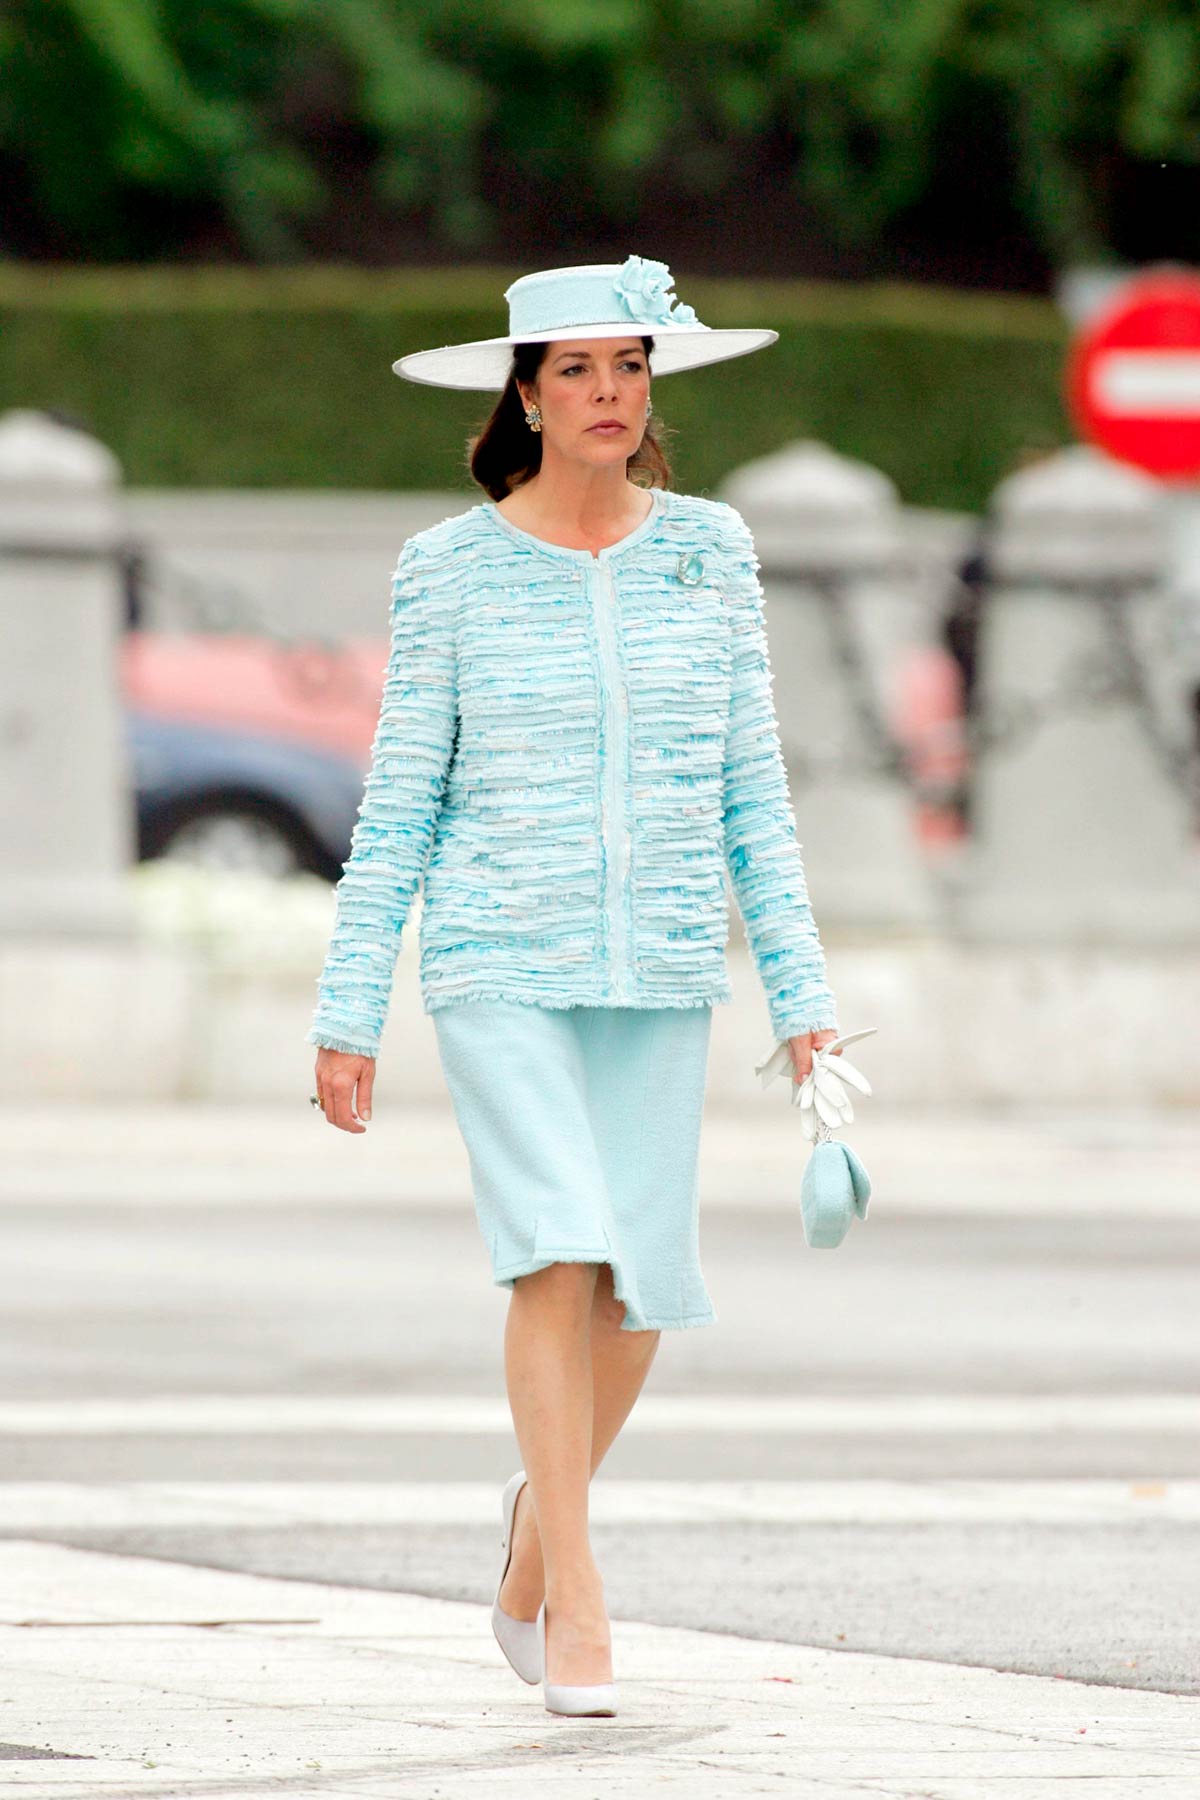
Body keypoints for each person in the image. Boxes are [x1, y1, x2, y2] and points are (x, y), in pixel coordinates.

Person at [306, 256, 842, 1717]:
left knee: (642, 1293)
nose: (609, 395)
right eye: (578, 369)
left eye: (632, 367)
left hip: (659, 964)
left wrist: (801, 997)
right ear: (527, 394)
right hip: (498, 959)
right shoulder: (450, 568)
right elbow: (401, 800)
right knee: (556, 1250)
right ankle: (585, 1603)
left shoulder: (712, 553)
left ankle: (535, 1530)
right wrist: (351, 1006)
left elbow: (753, 795)